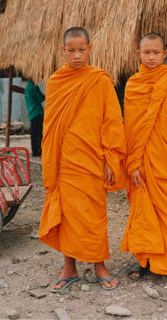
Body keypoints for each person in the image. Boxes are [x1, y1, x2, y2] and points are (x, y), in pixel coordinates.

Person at [39, 27, 126, 292]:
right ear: (63, 51)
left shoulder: (100, 80)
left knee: (95, 215)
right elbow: (50, 127)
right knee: (67, 216)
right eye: (71, 50)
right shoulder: (56, 82)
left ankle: (99, 264)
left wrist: (110, 159)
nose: (77, 55)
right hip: (65, 162)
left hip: (92, 159)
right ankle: (69, 267)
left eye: (81, 50)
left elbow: (112, 121)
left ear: (90, 50)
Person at [120, 33, 167, 283]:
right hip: (141, 163)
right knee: (144, 212)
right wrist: (132, 164)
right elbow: (130, 130)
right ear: (139, 54)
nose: (152, 57)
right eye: (147, 53)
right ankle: (147, 261)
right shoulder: (133, 85)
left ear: (165, 54)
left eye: (156, 52)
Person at [24, 81, 45, 157]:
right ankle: (39, 151)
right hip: (37, 112)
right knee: (39, 134)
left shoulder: (28, 86)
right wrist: (47, 96)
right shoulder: (33, 86)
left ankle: (35, 151)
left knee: (34, 134)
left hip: (32, 113)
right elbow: (40, 97)